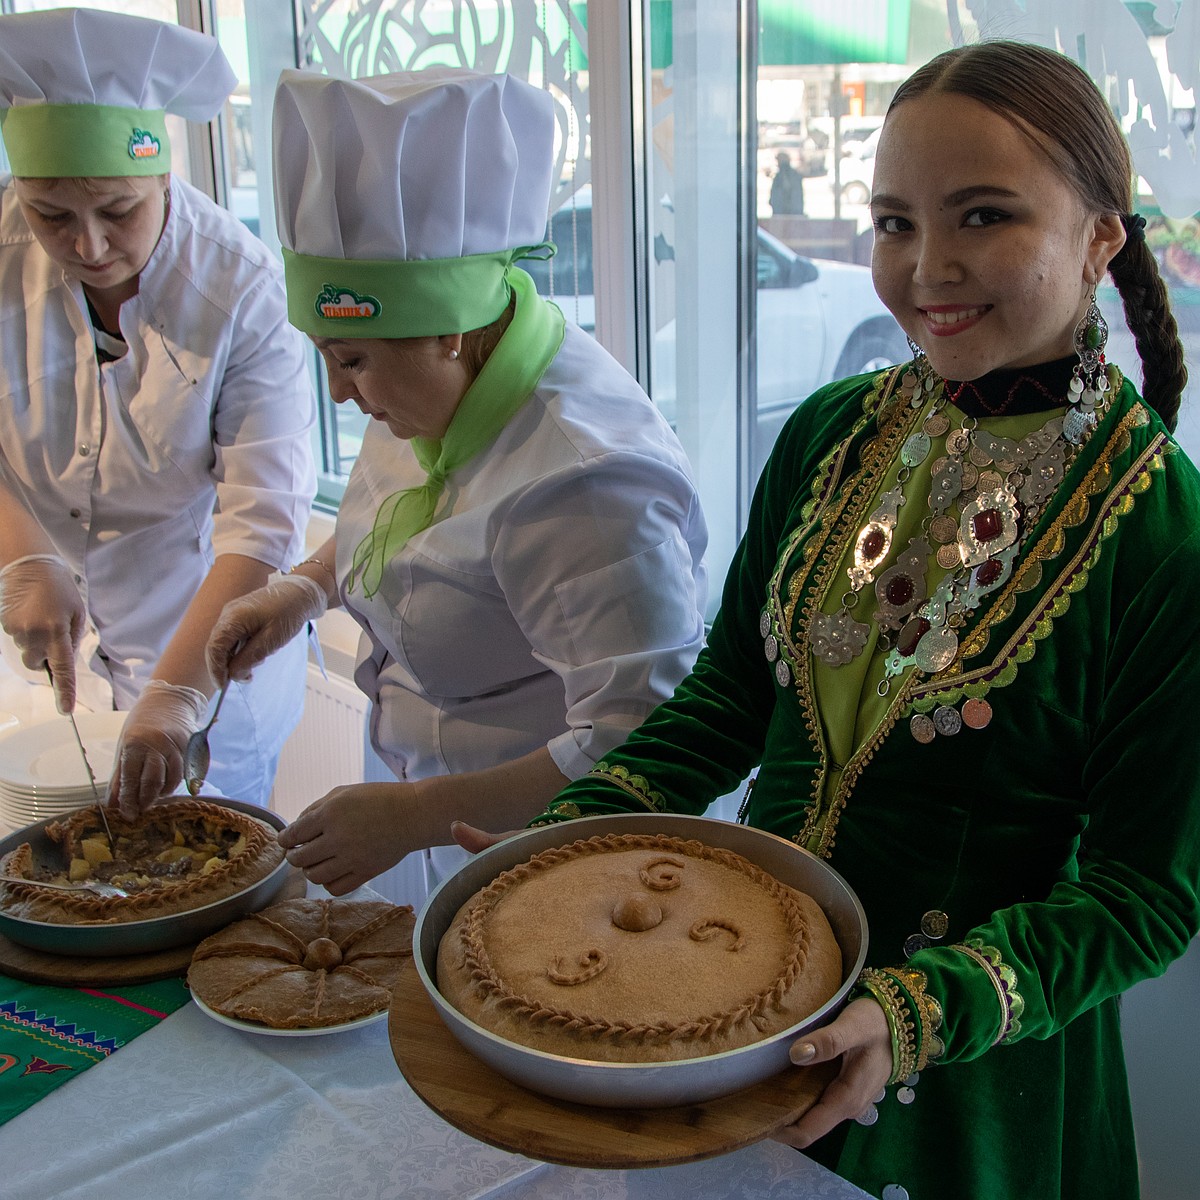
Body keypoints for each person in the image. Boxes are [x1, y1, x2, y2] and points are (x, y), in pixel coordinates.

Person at [480, 40, 1199, 1200]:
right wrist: (572, 839)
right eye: (894, 221)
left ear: (1102, 236)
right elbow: (728, 700)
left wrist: (917, 1014)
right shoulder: (830, 436)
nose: (927, 268)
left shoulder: (1163, 535)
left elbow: (1141, 897)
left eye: (982, 217)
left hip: (963, 1085)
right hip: (725, 1004)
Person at [204, 68, 708, 897]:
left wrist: (419, 815)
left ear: (448, 328)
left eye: (351, 358)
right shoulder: (429, 391)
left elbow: (644, 742)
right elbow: (411, 524)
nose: (339, 392)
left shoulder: (585, 485)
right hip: (433, 814)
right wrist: (303, 591)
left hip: (560, 865)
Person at [0, 8, 317, 816]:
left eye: (119, 210)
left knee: (198, 868)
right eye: (52, 216)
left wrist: (175, 693)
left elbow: (261, 525)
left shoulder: (240, 291)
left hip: (206, 644)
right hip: (47, 652)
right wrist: (25, 554)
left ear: (163, 177)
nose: (90, 246)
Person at [770, 150, 805, 216]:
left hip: (792, 214)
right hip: (781, 215)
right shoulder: (778, 177)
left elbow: (796, 197)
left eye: (780, 160)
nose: (778, 163)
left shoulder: (793, 176)